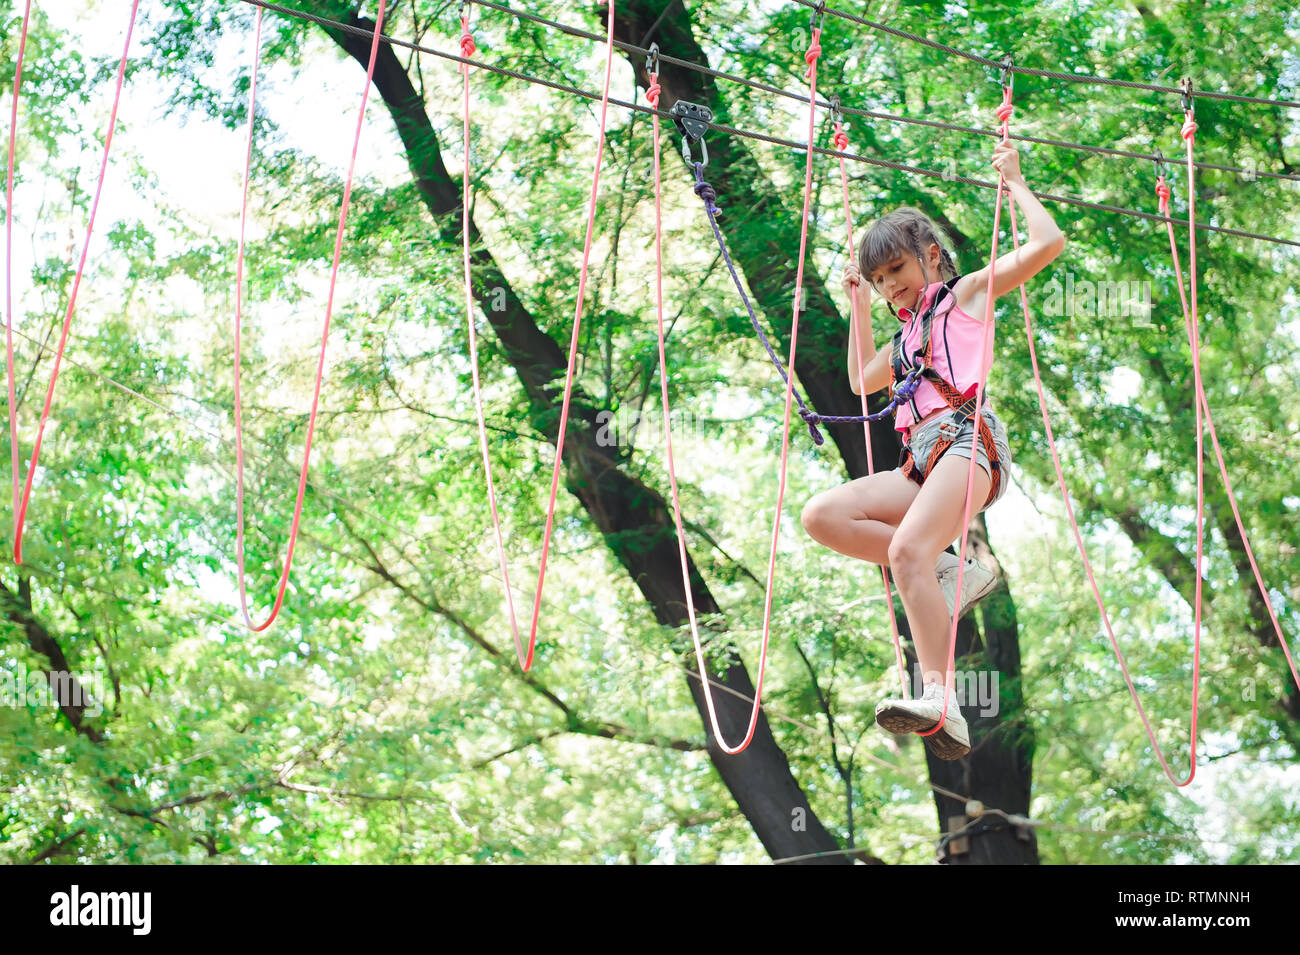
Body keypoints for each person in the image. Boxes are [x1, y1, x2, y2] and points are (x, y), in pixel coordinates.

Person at [800, 139, 1066, 760]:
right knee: (823, 516)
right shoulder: (909, 336)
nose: (890, 284)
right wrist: (859, 305)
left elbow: (1048, 245)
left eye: (895, 271)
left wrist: (1016, 182)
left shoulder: (964, 295)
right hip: (921, 460)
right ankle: (955, 573)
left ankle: (942, 699)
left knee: (906, 550)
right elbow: (863, 379)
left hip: (969, 442)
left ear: (930, 256)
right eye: (879, 278)